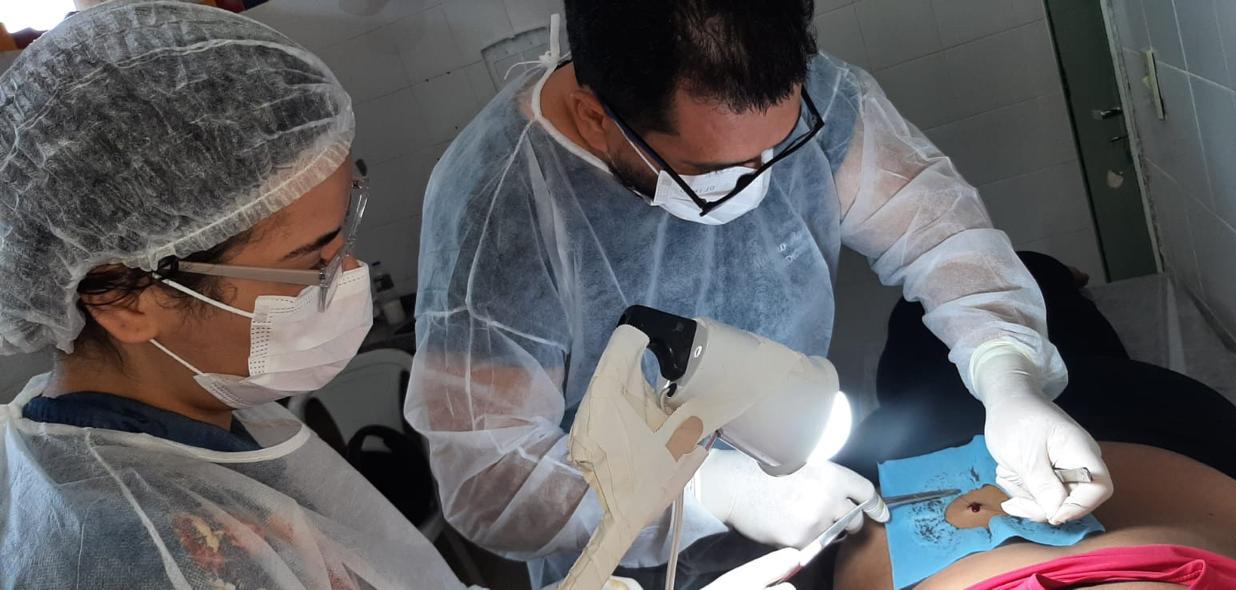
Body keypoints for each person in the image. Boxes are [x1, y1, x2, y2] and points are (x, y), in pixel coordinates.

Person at [0, 4, 830, 589]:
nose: (354, 277)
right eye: (312, 261)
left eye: (344, 234)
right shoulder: (139, 554)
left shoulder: (222, 423)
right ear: (125, 297)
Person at [406, 0, 1109, 586]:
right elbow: (491, 478)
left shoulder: (810, 95)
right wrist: (709, 491)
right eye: (715, 170)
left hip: (803, 485)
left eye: (781, 146)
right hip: (623, 560)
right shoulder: (497, 212)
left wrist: (1007, 376)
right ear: (597, 118)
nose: (763, 179)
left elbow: (941, 238)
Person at [828, 253, 1236, 589]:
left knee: (917, 332)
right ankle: (1052, 274)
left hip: (912, 435)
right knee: (1049, 317)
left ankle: (1043, 276)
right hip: (1139, 426)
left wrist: (1005, 377)